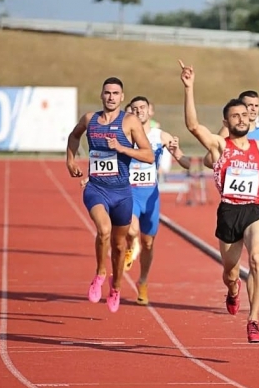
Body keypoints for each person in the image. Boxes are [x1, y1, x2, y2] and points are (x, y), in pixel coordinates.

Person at [179, 59, 259, 343]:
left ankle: (254, 319)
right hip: (229, 212)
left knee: (256, 259)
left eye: (245, 115)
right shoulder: (220, 146)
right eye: (236, 116)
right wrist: (189, 88)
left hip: (256, 209)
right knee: (231, 272)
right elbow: (194, 125)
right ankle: (233, 292)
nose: (242, 119)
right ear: (226, 122)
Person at [66, 77, 154, 313]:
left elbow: (149, 155)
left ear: (122, 97)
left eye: (116, 93)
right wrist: (71, 160)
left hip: (122, 193)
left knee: (118, 245)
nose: (111, 97)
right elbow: (74, 136)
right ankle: (100, 273)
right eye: (107, 93)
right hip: (96, 188)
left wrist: (122, 148)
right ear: (101, 95)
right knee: (103, 230)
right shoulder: (90, 119)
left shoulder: (130, 121)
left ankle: (115, 287)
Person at [121, 95, 191, 305]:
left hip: (151, 195)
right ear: (129, 113)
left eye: (142, 107)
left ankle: (142, 281)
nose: (139, 111)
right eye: (134, 108)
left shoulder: (161, 136)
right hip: (129, 192)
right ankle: (131, 245)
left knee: (149, 243)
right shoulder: (123, 135)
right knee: (132, 230)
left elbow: (186, 163)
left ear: (150, 111)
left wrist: (177, 151)